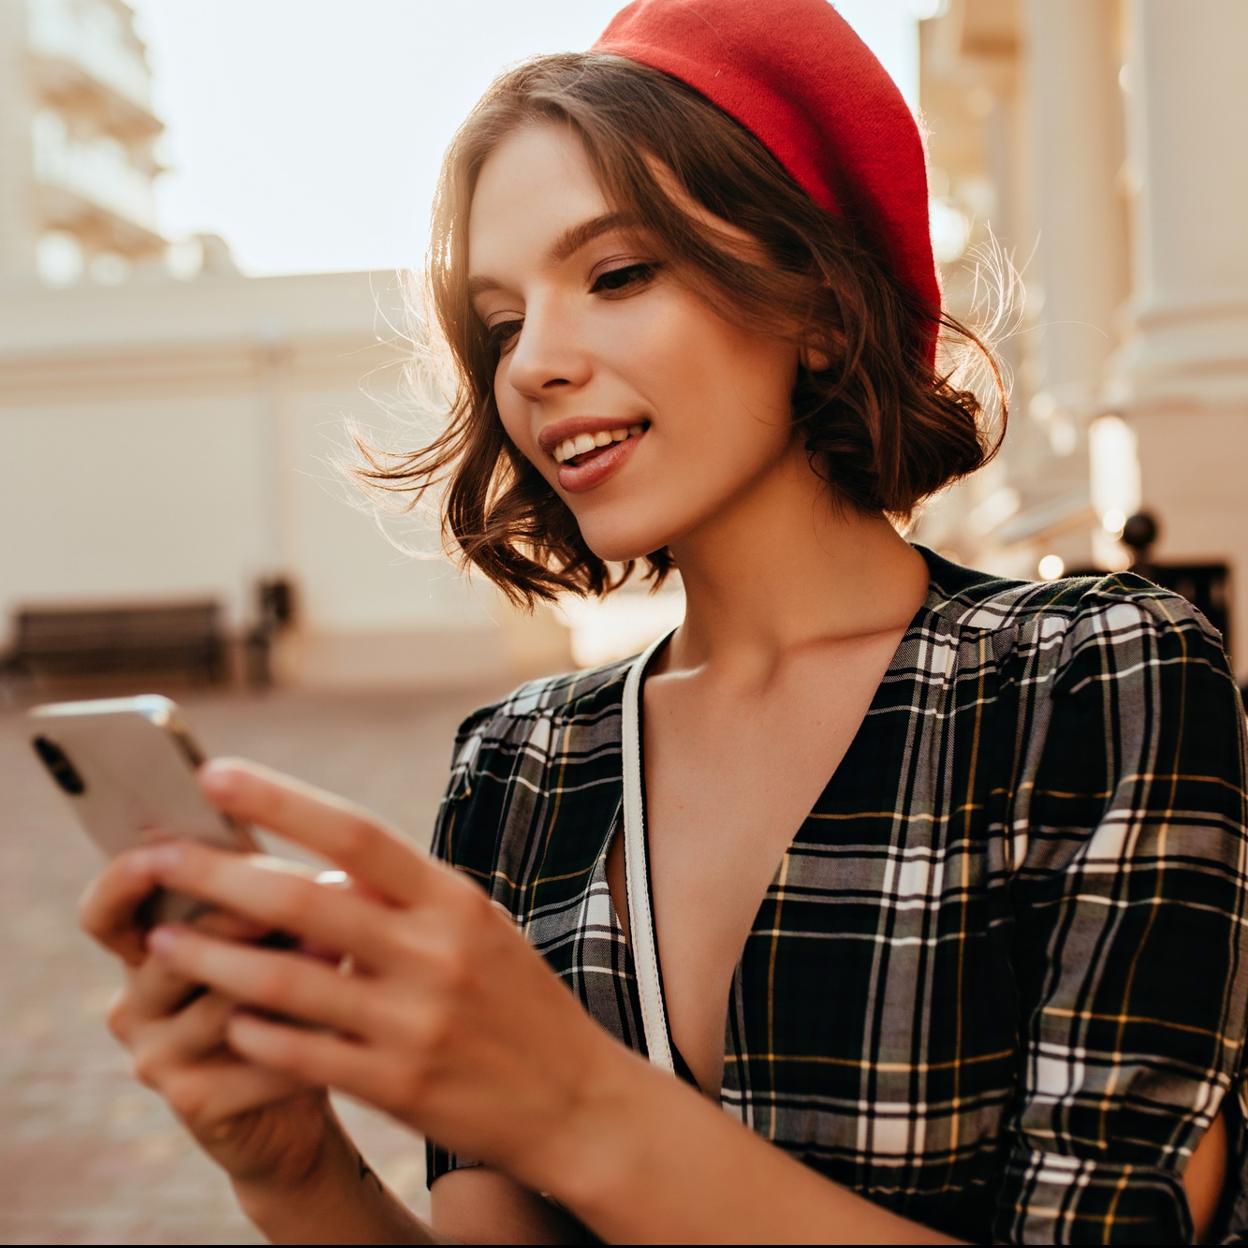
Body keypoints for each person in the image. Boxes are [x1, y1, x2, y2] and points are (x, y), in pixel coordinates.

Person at [78, 0, 1248, 1243]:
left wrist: (577, 1106)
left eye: (618, 273)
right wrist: (293, 1168)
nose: (532, 365)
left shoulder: (1088, 680)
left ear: (815, 299)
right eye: (501, 323)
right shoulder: (520, 764)